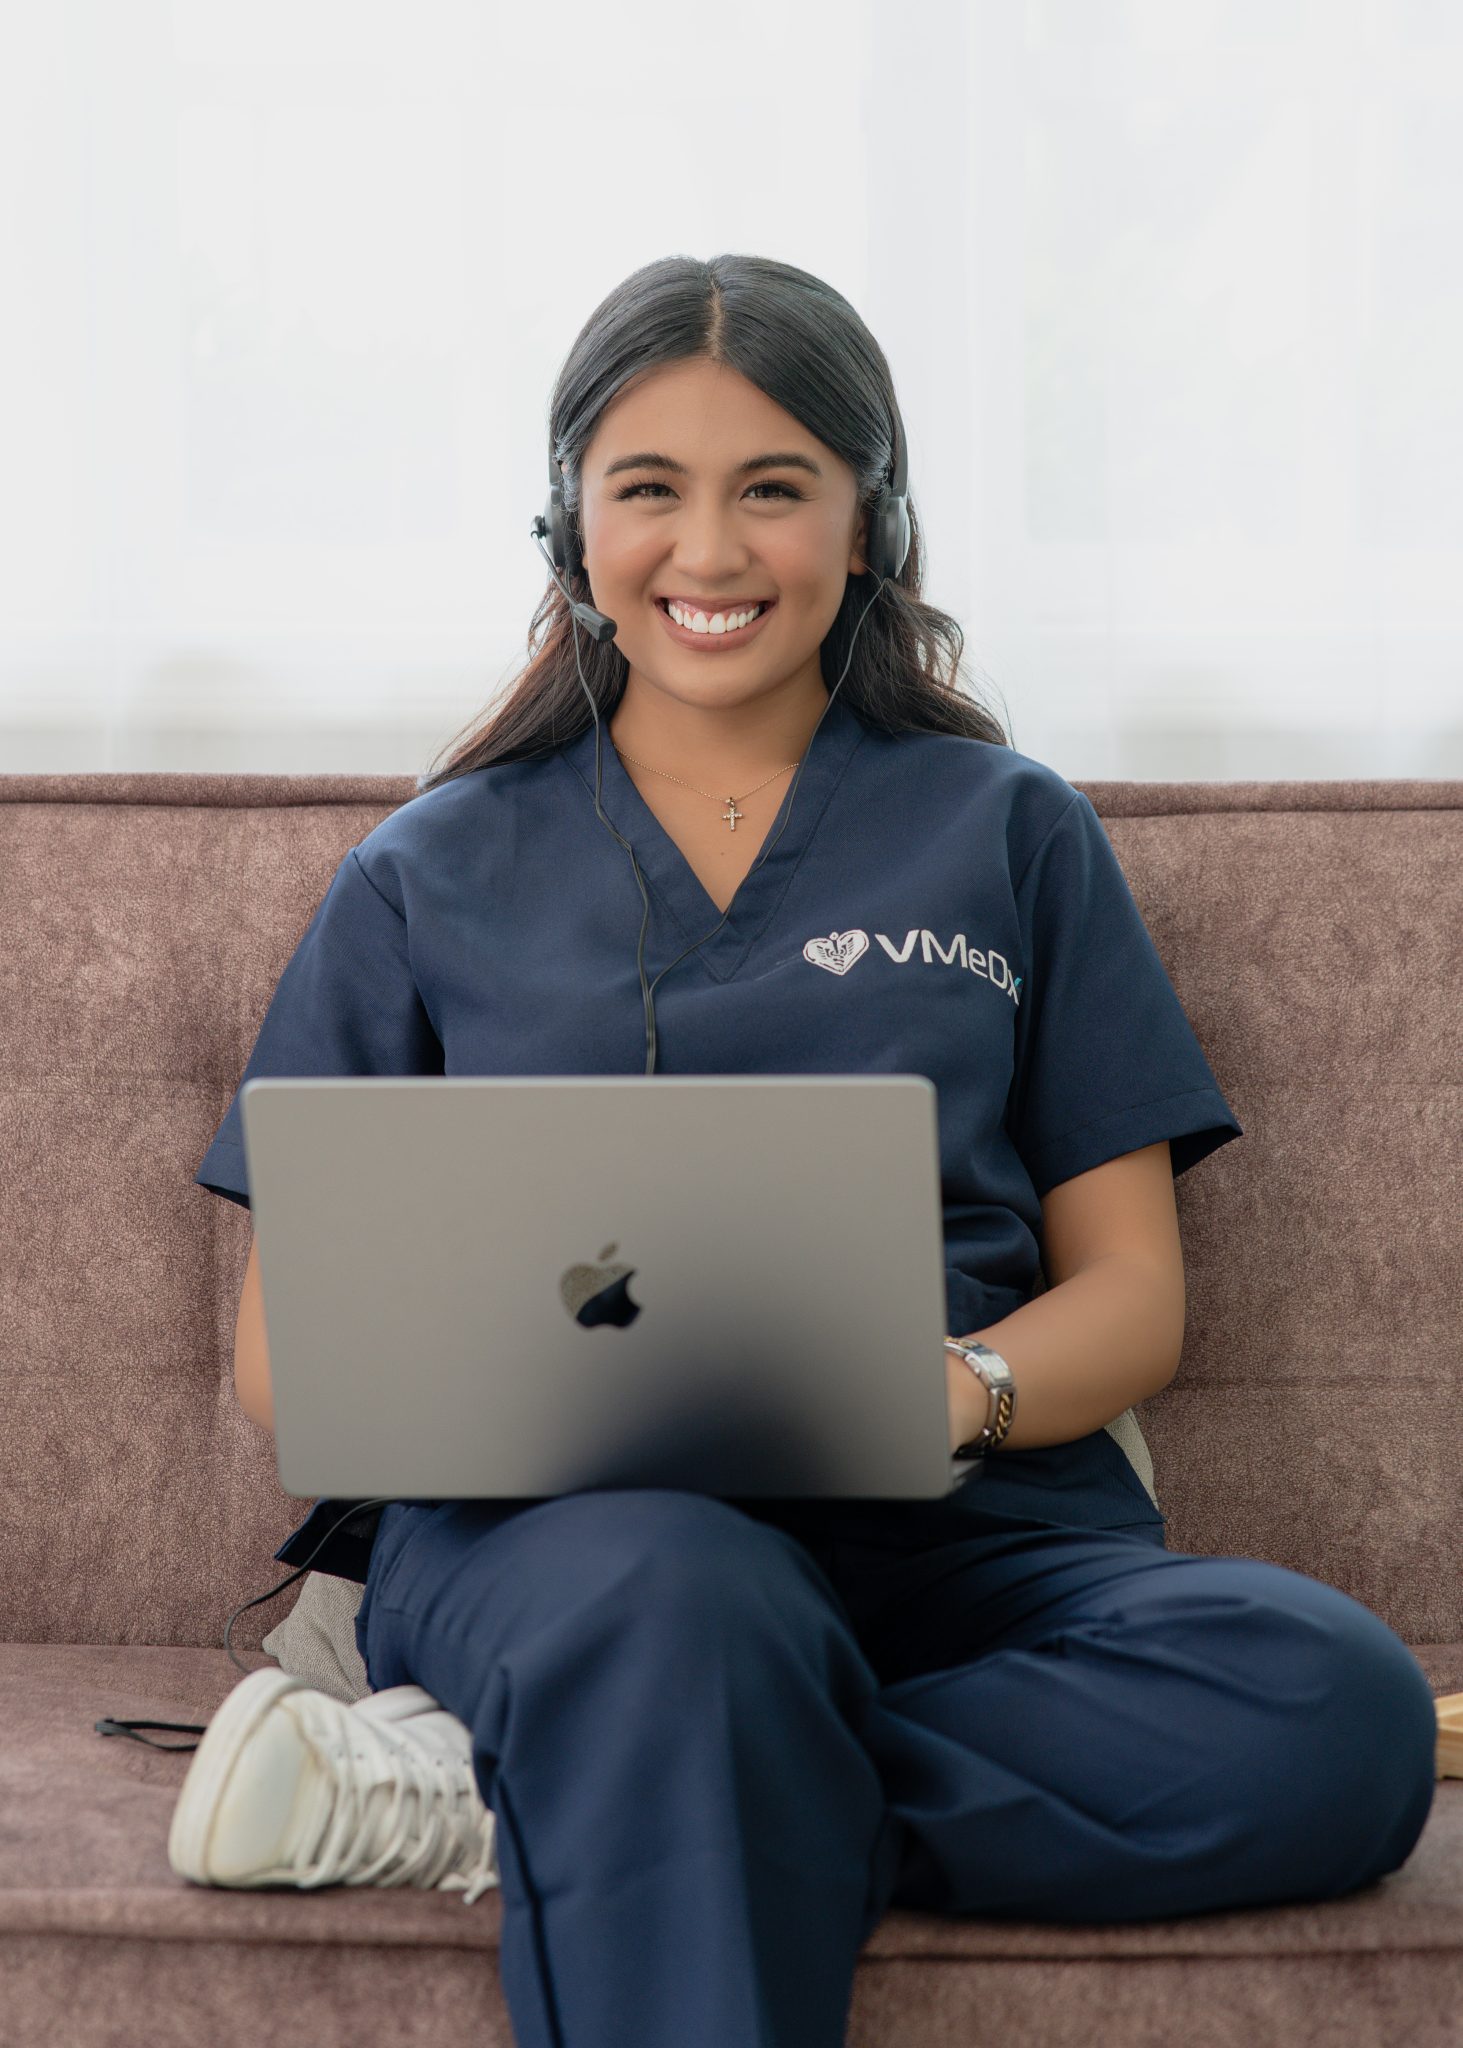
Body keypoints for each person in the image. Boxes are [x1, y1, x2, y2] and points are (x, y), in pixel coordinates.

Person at [174, 253, 1439, 2048]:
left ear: (872, 526)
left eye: (774, 487)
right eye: (649, 489)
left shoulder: (1014, 832)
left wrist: (959, 1392)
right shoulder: (420, 874)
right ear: (569, 526)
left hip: (960, 1532)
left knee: (1338, 1707)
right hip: (581, 1555)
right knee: (687, 1617)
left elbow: (1133, 1296)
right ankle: (629, 1743)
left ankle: (554, 1792)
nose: (710, 550)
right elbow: (284, 1363)